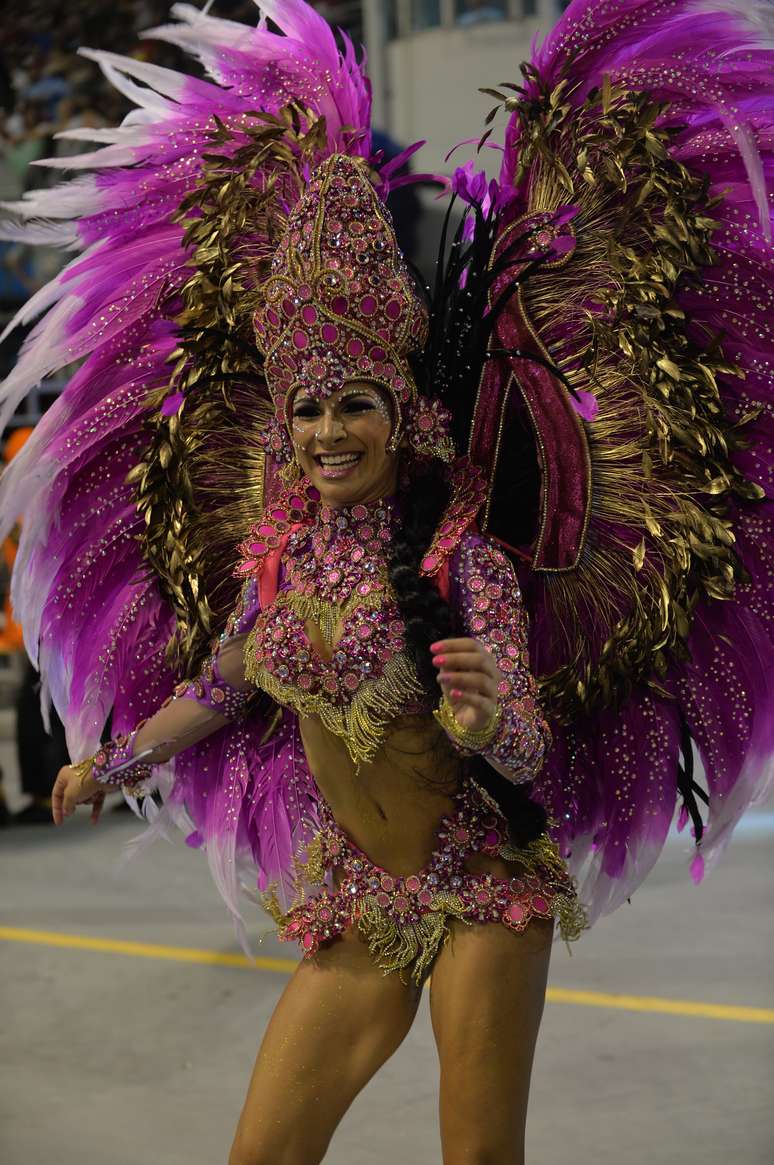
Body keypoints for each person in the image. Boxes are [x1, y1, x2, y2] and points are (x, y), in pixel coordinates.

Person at [1, 3, 772, 1163]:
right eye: (306, 407)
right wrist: (115, 759)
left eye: (350, 402)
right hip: (358, 895)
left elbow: (520, 747)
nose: (323, 431)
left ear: (401, 415)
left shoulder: (461, 560)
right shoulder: (279, 555)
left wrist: (485, 716)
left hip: (481, 886)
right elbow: (224, 683)